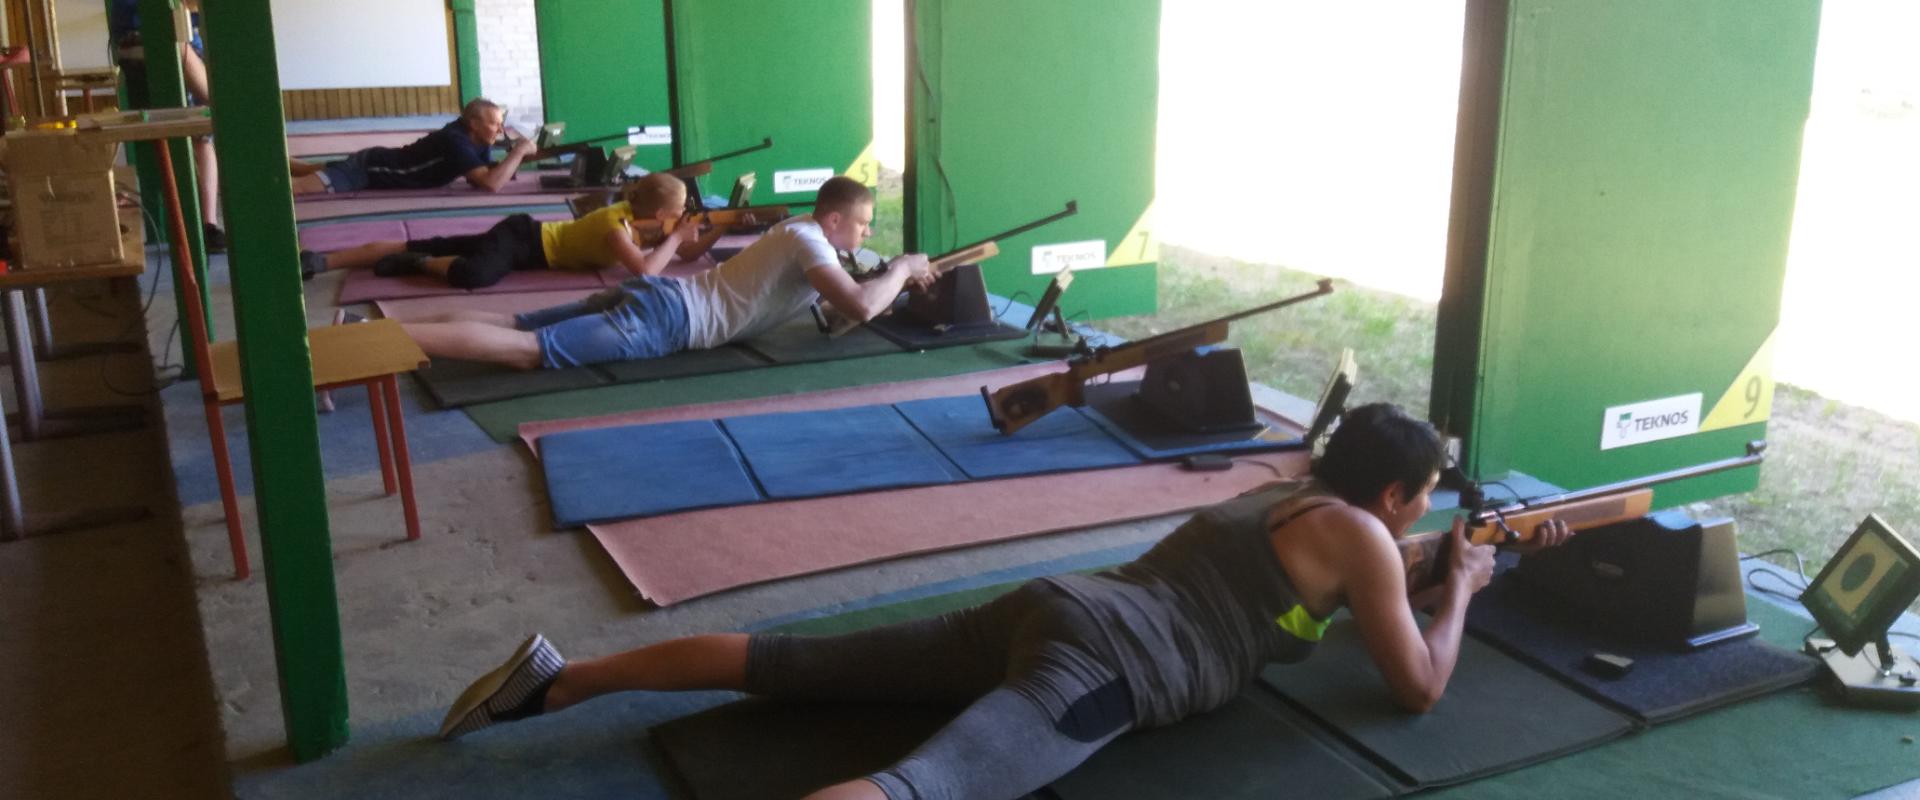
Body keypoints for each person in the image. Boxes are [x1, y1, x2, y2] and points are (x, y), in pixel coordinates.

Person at [436, 403, 1576, 799]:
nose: (1419, 521)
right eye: (1418, 503)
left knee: (787, 663)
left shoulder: (1281, 493)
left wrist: (1424, 565)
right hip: (1109, 672)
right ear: (1393, 494)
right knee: (926, 786)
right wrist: (1461, 583)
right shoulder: (1373, 539)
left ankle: (558, 676)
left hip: (1054, 604)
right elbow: (1418, 685)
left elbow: (1306, 591)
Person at [395, 175, 933, 370]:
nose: (866, 235)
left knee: (516, 323)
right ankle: (374, 343)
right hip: (666, 323)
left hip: (660, 297)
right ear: (834, 219)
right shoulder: (809, 241)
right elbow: (860, 306)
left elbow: (854, 290)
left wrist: (893, 276)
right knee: (526, 351)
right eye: (862, 225)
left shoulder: (802, 232)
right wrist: (905, 265)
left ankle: (381, 329)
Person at [295, 173, 740, 285]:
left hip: (525, 242)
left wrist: (719, 227)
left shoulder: (644, 220)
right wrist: (679, 236)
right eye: (679, 210)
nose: (682, 216)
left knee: (432, 240)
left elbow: (682, 255)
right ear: (660, 211)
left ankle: (324, 261)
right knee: (473, 275)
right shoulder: (614, 223)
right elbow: (644, 272)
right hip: (524, 240)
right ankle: (418, 263)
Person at [110, 0, 225, 252]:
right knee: (210, 113)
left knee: (203, 135)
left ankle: (208, 223)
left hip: (176, 45)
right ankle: (221, 108)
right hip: (153, 43)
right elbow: (161, 20)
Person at [288, 98, 535, 194]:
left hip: (374, 162)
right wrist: (518, 151)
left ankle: (280, 163)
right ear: (473, 123)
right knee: (298, 189)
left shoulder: (479, 139)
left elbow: (476, 178)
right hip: (368, 169)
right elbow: (491, 184)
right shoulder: (456, 140)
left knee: (310, 169)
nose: (500, 130)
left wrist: (510, 160)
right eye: (495, 124)